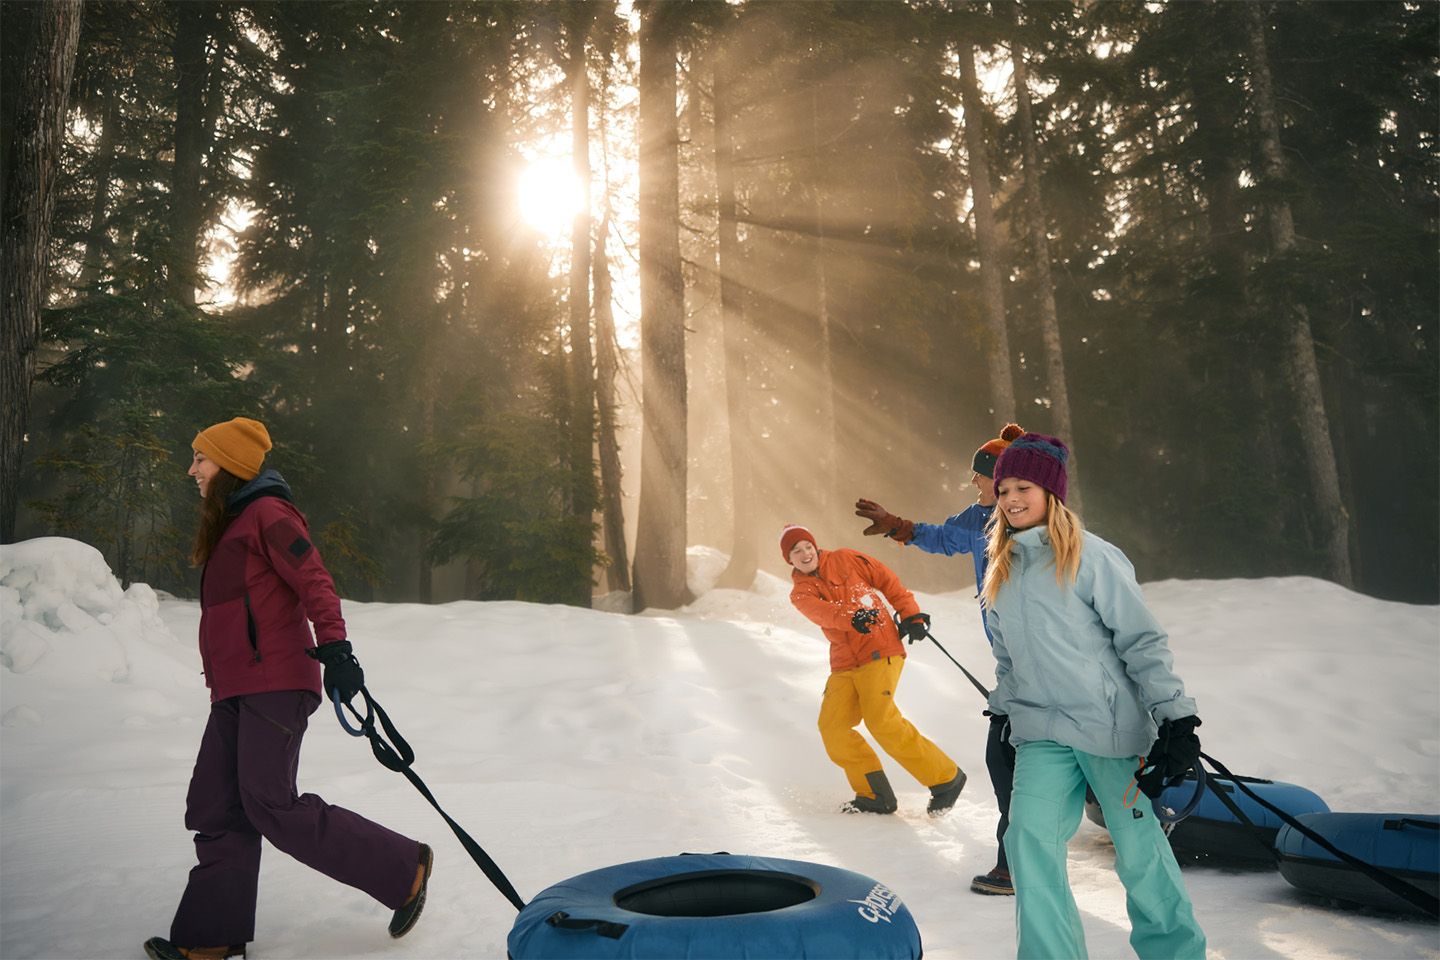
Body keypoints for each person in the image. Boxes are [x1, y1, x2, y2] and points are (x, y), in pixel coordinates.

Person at [144, 417, 432, 960]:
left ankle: (404, 869)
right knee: (215, 804)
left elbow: (314, 580)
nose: (192, 469)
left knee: (269, 803)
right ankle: (210, 938)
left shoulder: (267, 515)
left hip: (274, 683)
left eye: (200, 459)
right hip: (234, 689)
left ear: (227, 464)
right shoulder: (234, 522)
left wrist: (338, 651)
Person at [981, 433, 1206, 960]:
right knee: (1028, 841)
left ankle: (1175, 953)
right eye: (1004, 488)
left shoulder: (1092, 558)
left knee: (1138, 851)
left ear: (1051, 492)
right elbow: (1010, 657)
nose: (1011, 498)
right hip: (1041, 734)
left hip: (1109, 731)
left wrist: (1176, 719)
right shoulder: (1003, 569)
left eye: (1024, 486)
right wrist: (1002, 710)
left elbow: (1141, 639)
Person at [855, 422, 1025, 895]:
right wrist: (896, 526)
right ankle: (1016, 863)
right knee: (1007, 760)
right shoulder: (977, 521)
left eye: (979, 474)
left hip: (1046, 667)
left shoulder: (1029, 524)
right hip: (1012, 666)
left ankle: (1019, 863)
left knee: (1010, 760)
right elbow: (941, 536)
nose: (973, 482)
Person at [782, 523, 966, 817]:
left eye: (807, 546)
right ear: (788, 559)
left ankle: (945, 779)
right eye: (795, 551)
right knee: (833, 727)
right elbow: (824, 613)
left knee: (881, 720)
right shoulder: (800, 593)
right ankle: (874, 794)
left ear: (815, 547)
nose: (804, 553)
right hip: (844, 664)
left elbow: (887, 581)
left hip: (880, 648)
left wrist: (911, 614)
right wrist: (852, 616)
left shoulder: (845, 558)